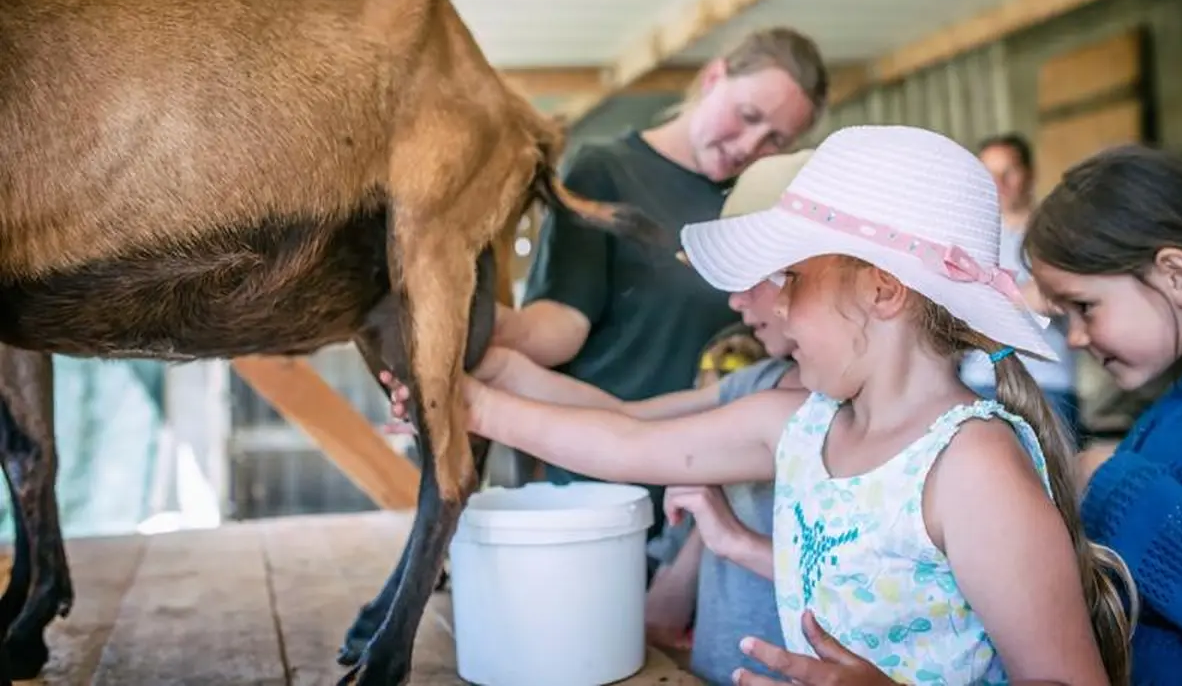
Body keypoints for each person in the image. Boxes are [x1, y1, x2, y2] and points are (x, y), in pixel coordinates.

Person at [387, 125, 1134, 685]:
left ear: (881, 288)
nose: (772, 303)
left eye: (792, 279)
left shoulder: (971, 468)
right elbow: (623, 443)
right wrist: (466, 405)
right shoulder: (801, 424)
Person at [490, 27, 828, 540]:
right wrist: (480, 337)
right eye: (749, 116)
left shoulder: (761, 199)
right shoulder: (607, 172)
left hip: (718, 494)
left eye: (777, 140)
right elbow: (560, 324)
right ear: (714, 77)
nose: (750, 146)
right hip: (604, 476)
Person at [1021, 143, 1182, 685]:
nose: (1074, 338)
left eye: (1085, 307)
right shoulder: (1175, 406)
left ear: (1178, 277)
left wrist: (1110, 481)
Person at [959, 133, 1081, 445]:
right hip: (980, 381)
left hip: (1046, 383)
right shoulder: (968, 238)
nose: (999, 183)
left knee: (1053, 487)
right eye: (989, 174)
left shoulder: (1060, 232)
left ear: (1030, 173)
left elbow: (1062, 296)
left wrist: (986, 296)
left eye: (1008, 171)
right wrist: (1021, 294)